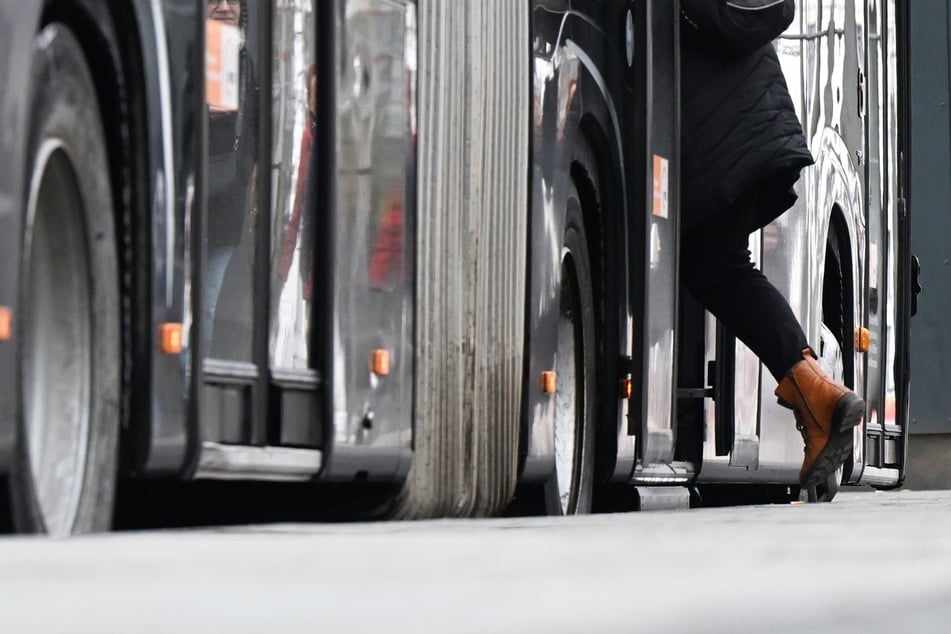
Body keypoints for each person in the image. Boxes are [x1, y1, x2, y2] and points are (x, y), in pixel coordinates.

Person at [677, 12, 865, 489]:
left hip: (715, 134)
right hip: (754, 121)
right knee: (718, 265)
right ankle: (818, 394)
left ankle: (818, 397)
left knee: (713, 265)